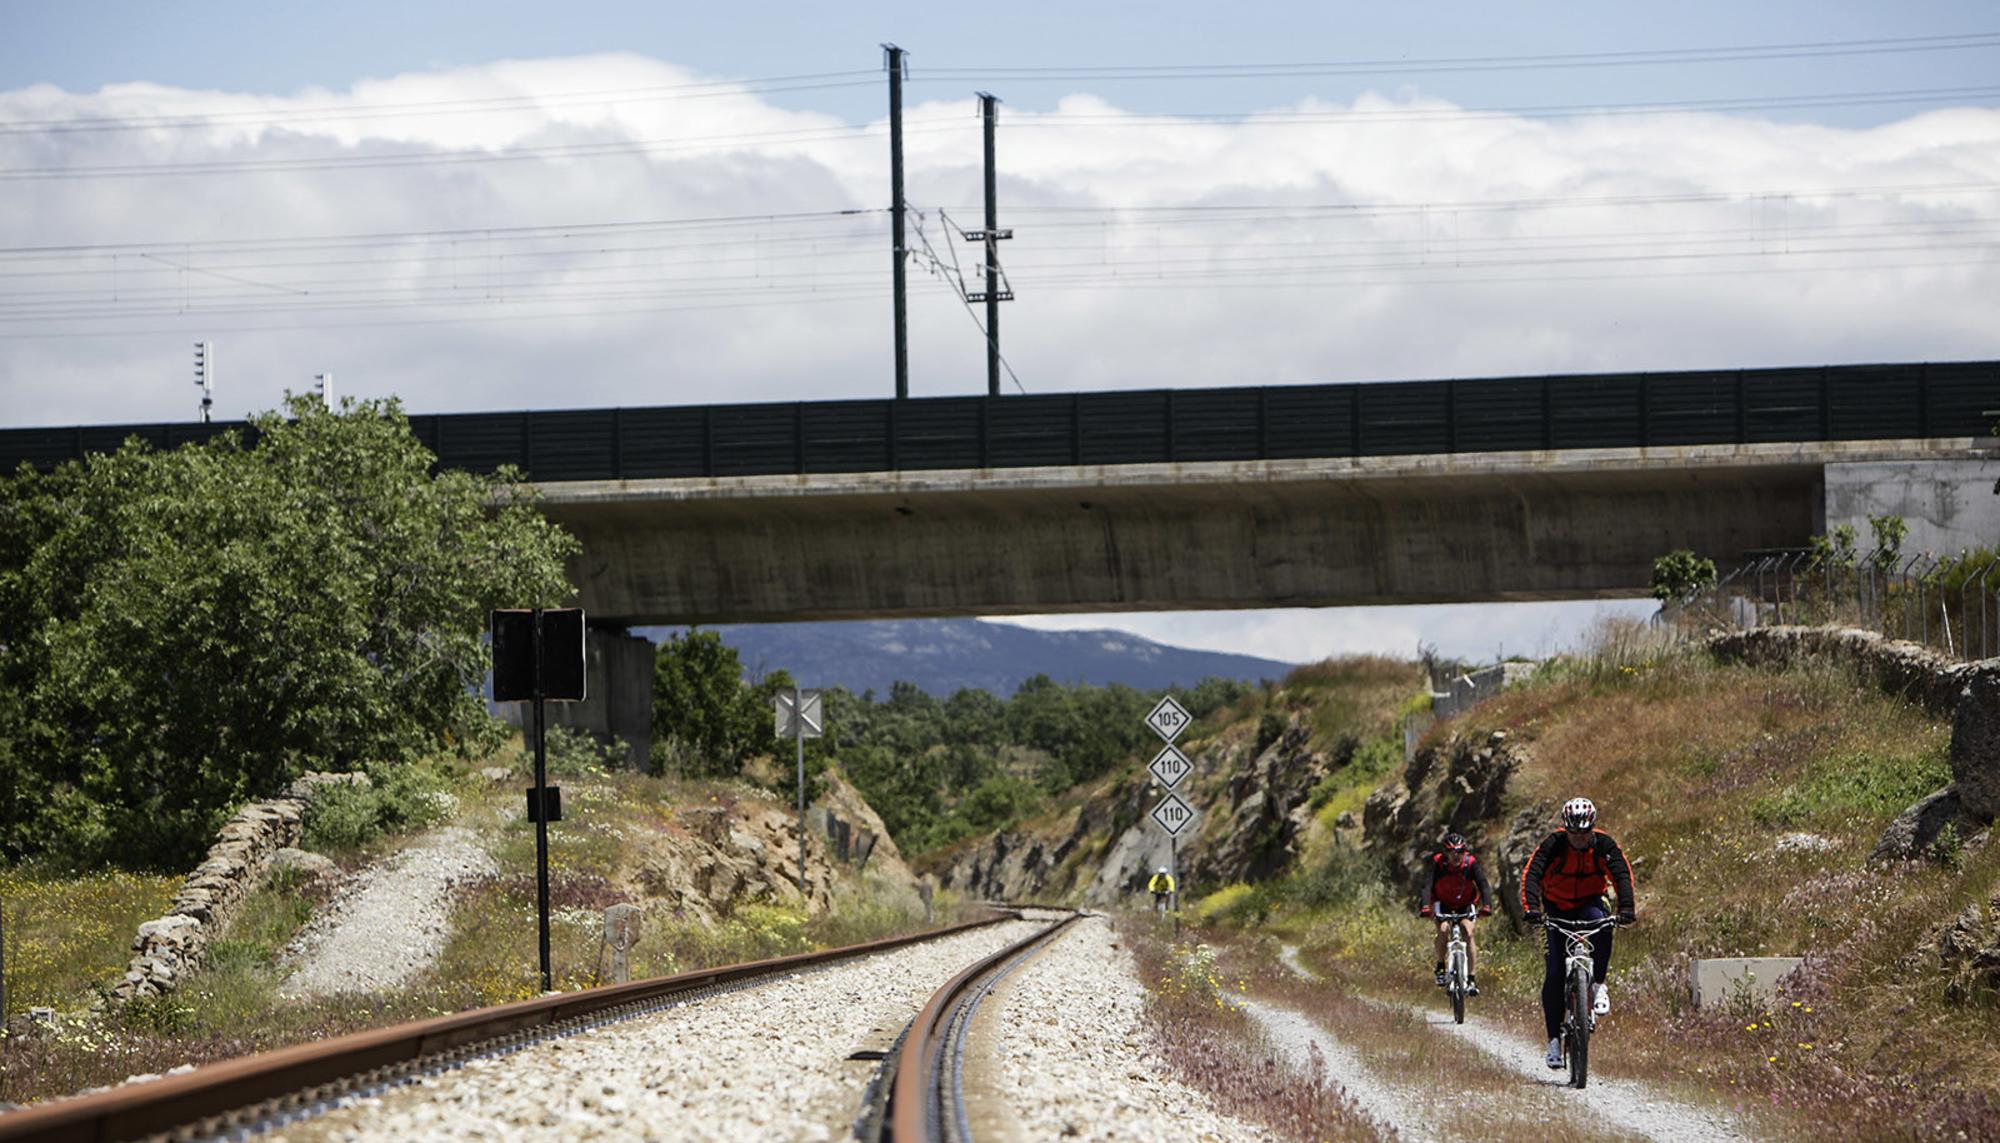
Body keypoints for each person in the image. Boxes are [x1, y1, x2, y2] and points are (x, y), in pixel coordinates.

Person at [1520, 797, 1637, 1070]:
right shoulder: (1554, 845)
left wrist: (1627, 908)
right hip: (1556, 906)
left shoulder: (1604, 846)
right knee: (1554, 973)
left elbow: (1621, 874)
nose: (1579, 839)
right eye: (1574, 833)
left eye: (1585, 833)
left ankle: (1598, 985)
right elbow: (1532, 874)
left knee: (1605, 923)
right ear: (1566, 829)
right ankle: (1552, 1043)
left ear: (1592, 829)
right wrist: (1532, 909)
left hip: (1590, 903)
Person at [1419, 832, 1493, 994]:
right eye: (1452, 852)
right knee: (1443, 930)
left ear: (1464, 852)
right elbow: (1427, 885)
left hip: (1465, 904)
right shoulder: (1438, 863)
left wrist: (1487, 906)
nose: (1456, 856)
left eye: (1460, 852)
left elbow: (1483, 885)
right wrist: (1425, 907)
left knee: (1468, 932)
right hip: (1442, 903)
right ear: (1446, 853)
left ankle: (1472, 979)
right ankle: (1440, 967)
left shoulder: (1470, 864)